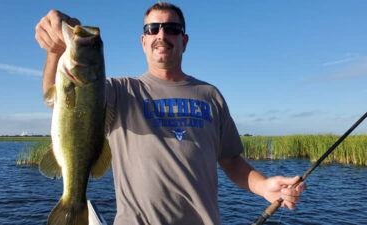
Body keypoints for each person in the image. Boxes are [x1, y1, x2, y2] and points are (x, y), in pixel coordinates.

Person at [35, 2, 306, 225]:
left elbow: (231, 161)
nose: (161, 35)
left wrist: (264, 187)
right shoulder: (120, 91)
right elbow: (56, 98)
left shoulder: (210, 95)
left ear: (184, 41)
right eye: (153, 29)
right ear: (143, 40)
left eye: (172, 29)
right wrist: (56, 49)